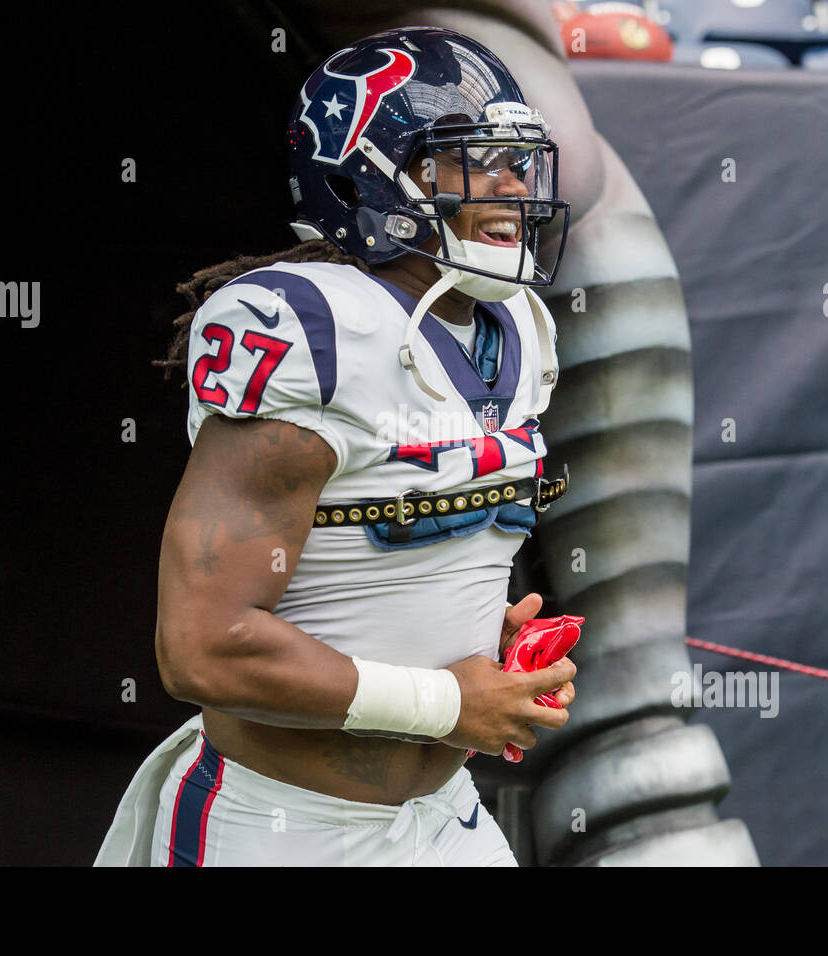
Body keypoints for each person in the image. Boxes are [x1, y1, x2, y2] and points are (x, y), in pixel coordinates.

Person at [95, 25, 578, 867]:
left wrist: (479, 647)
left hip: (446, 820)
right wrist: (444, 701)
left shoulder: (517, 329)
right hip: (284, 830)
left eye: (518, 160)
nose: (513, 188)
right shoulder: (307, 329)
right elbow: (202, 644)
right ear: (370, 174)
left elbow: (376, 561)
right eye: (474, 160)